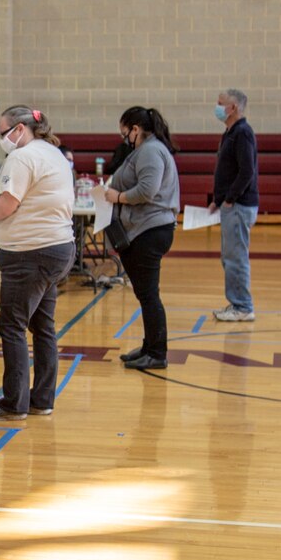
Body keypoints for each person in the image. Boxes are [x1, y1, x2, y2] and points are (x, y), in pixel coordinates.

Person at [0, 106, 75, 421]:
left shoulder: (22, 157)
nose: (2, 139)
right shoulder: (52, 152)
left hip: (31, 253)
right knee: (43, 326)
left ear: (19, 129)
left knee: (12, 325)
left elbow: (8, 204)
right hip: (57, 248)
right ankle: (41, 399)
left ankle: (14, 402)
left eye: (4, 132)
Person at [102, 107, 180, 370]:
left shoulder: (150, 151)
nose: (124, 138)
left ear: (136, 129)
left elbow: (147, 190)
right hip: (145, 228)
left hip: (150, 230)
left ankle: (157, 353)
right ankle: (149, 346)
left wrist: (118, 197)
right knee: (145, 294)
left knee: (149, 295)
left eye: (125, 133)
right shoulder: (146, 150)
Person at [208, 88, 259, 322]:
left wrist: (230, 198)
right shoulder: (230, 132)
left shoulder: (242, 133)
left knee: (236, 258)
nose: (217, 107)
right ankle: (237, 303)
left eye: (221, 103)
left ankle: (243, 307)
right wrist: (217, 201)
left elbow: (246, 170)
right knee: (229, 257)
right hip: (230, 205)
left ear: (233, 108)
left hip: (239, 206)